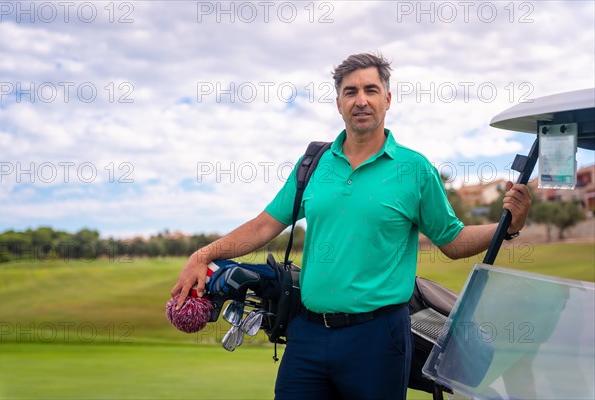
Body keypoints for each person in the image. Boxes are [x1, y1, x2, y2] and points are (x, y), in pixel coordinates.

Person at [171, 52, 532, 399]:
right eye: (351, 91)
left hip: (378, 337)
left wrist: (507, 226)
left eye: (370, 90)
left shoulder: (414, 169)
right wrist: (202, 255)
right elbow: (266, 224)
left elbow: (452, 242)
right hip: (307, 333)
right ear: (339, 102)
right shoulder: (313, 163)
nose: (361, 100)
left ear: (387, 99)